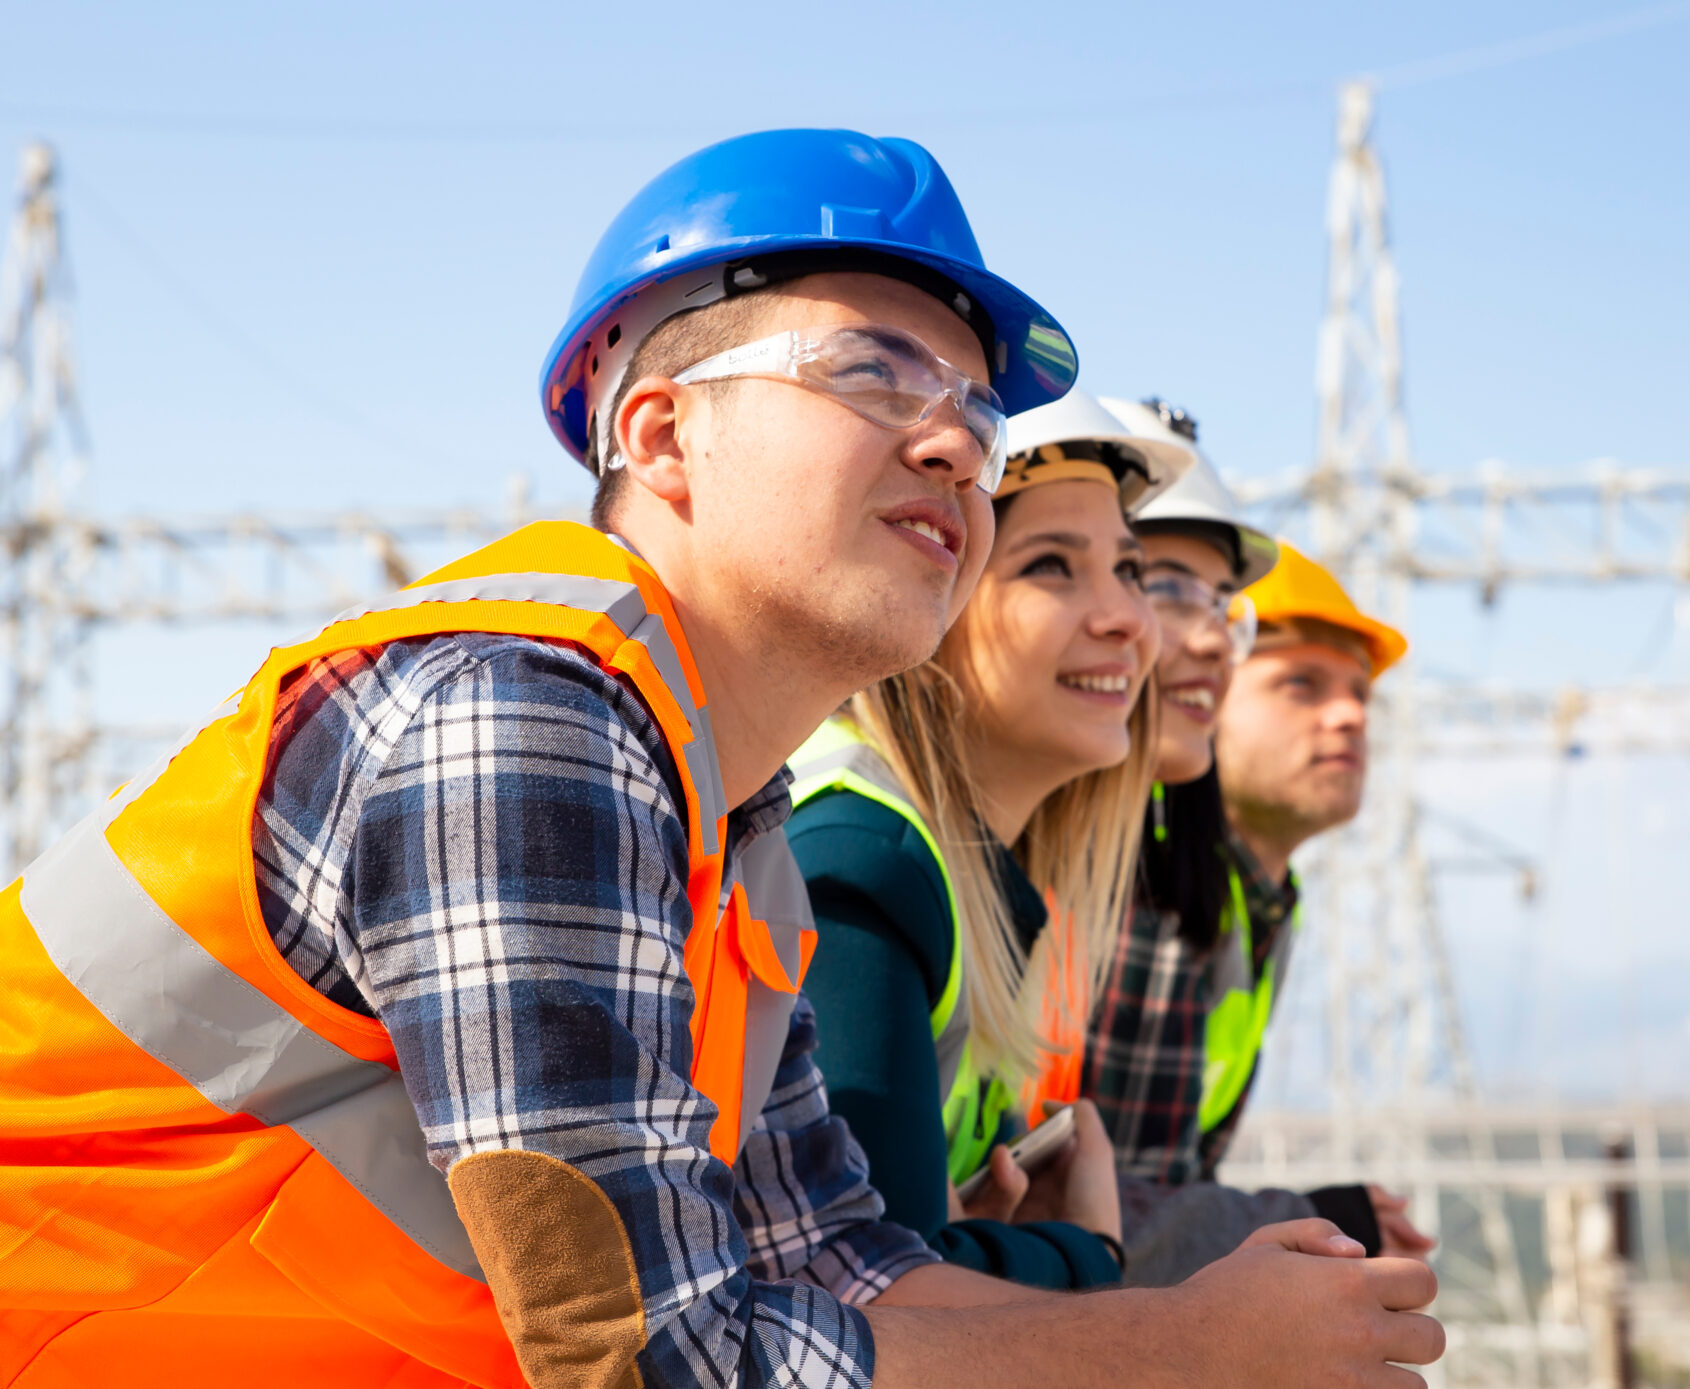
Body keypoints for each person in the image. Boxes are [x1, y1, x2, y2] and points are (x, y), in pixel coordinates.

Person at [0, 128, 1445, 1388]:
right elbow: (653, 1354)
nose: (956, 443)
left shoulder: (726, 831)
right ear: (661, 431)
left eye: (975, 404)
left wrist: (1191, 1318)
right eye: (875, 370)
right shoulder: (517, 715)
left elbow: (837, 1263)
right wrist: (1177, 1352)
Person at [785, 387, 1189, 1290]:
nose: (1127, 617)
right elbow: (877, 1302)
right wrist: (1085, 1251)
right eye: (1052, 566)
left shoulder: (976, 878)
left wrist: (986, 1243)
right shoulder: (862, 860)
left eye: (1130, 570)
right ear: (937, 588)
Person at [1082, 410, 1433, 1285]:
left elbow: (1156, 1188)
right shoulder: (1152, 879)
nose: (1349, 714)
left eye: (1359, 693)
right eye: (1301, 686)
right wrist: (1306, 1220)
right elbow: (1091, 1224)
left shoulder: (1252, 897)